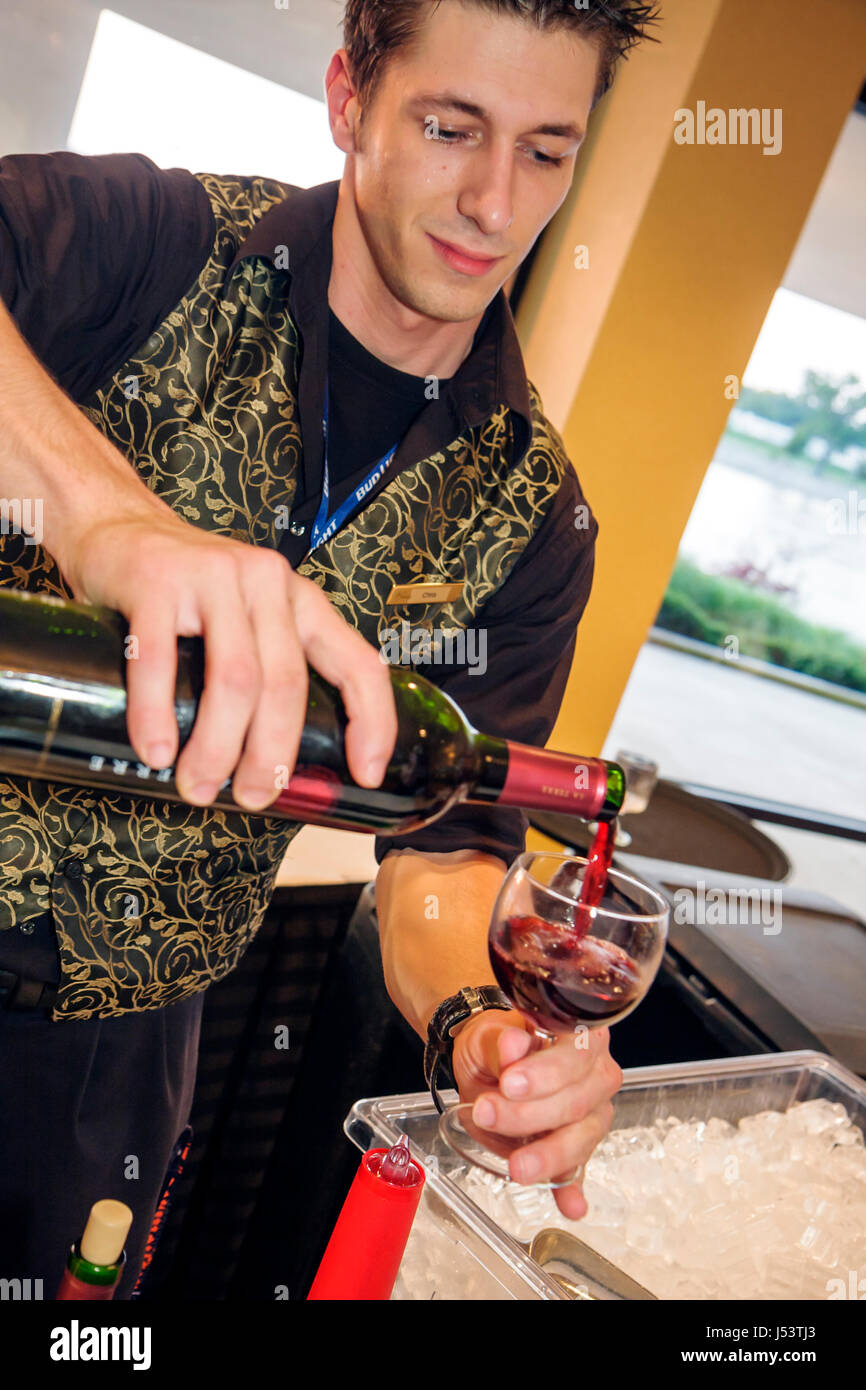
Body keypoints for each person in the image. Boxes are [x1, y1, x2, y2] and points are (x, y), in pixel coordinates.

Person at [0, 0, 660, 1296]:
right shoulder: (155, 244)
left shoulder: (530, 517)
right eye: (450, 126)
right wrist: (111, 519)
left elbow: (446, 857)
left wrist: (476, 1023)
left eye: (544, 150)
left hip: (115, 1065)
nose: (491, 200)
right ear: (349, 99)